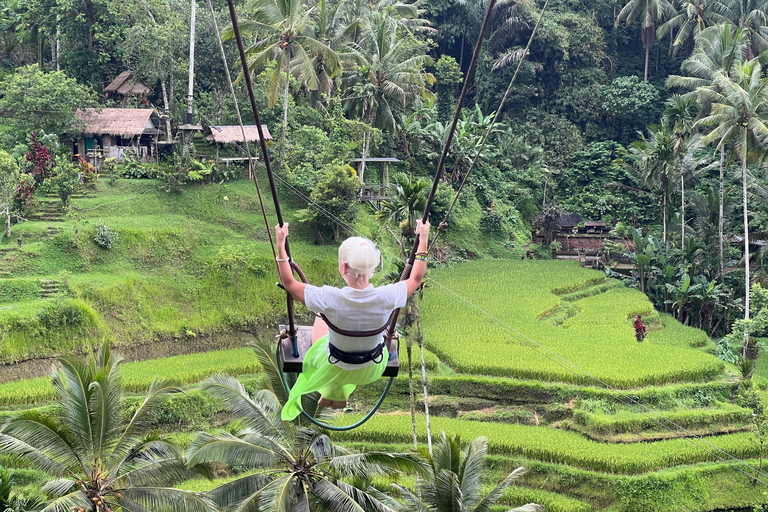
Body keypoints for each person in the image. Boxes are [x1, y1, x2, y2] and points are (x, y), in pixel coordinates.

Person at [275, 220, 430, 421]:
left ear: (343, 267)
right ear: (372, 268)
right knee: (333, 335)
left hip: (335, 363)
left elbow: (289, 282)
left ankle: (332, 393)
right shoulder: (388, 296)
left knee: (321, 322)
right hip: (371, 367)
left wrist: (281, 245)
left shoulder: (328, 298)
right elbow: (416, 279)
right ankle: (337, 395)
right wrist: (423, 239)